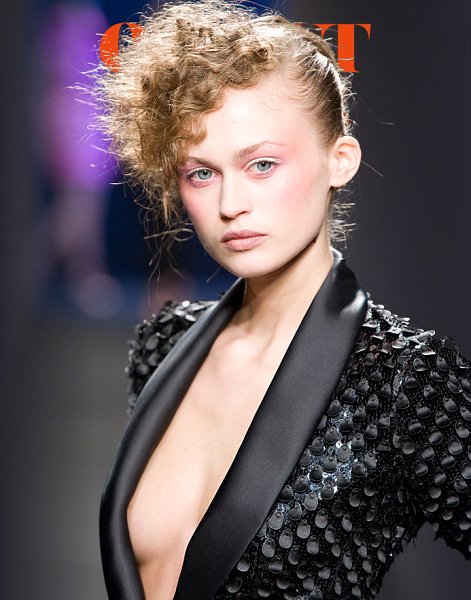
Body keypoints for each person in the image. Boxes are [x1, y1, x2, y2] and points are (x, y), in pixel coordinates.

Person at [94, 1, 471, 599]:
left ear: (339, 161)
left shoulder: (405, 381)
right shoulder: (164, 343)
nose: (230, 205)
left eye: (262, 164)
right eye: (201, 173)